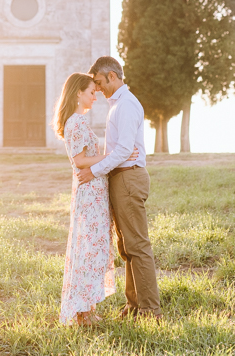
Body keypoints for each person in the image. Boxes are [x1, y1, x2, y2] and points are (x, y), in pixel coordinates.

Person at [76, 56, 162, 321]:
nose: (98, 89)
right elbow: (120, 150)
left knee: (137, 245)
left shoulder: (125, 105)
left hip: (128, 178)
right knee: (126, 248)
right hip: (120, 178)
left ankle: (150, 310)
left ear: (112, 76)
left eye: (100, 82)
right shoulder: (117, 105)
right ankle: (134, 304)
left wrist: (93, 171)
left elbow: (125, 150)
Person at [54, 72, 138, 326]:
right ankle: (82, 312)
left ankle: (86, 308)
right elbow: (79, 161)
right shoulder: (76, 122)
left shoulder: (77, 121)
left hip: (92, 192)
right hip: (89, 193)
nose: (95, 97)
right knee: (88, 251)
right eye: (92, 92)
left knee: (91, 251)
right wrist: (114, 155)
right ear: (78, 93)